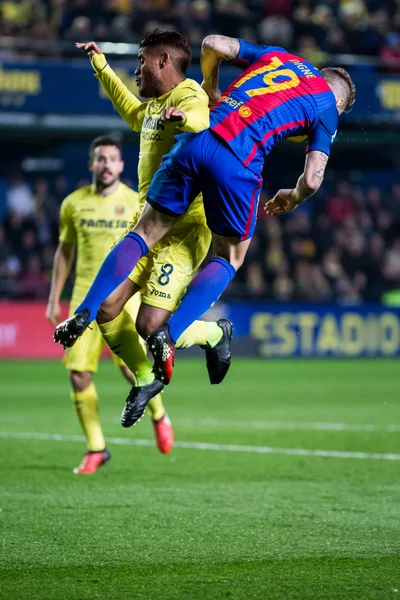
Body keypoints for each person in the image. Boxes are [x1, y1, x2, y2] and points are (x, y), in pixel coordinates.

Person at [55, 34, 356, 424]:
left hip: (197, 144)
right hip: (239, 159)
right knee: (231, 254)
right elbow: (314, 178)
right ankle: (176, 332)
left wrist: (212, 84)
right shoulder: (326, 107)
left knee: (144, 233)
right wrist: (294, 196)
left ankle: (86, 312)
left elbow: (213, 42)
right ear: (340, 103)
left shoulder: (282, 58)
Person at [55, 31, 233, 427]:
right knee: (106, 308)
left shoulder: (188, 94)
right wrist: (100, 67)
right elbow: (132, 111)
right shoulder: (153, 106)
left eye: (141, 62)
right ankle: (146, 378)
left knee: (150, 325)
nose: (136, 70)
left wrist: (183, 119)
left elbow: (202, 118)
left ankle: (214, 335)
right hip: (147, 222)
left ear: (164, 62)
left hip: (184, 229)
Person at [46, 135, 174, 474]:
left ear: (121, 165)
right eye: (100, 159)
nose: (106, 165)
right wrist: (53, 297)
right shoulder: (72, 204)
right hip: (83, 299)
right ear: (92, 164)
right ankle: (96, 448)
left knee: (131, 368)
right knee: (78, 375)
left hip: (123, 295)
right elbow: (65, 252)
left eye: (112, 159)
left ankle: (158, 413)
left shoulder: (137, 202)